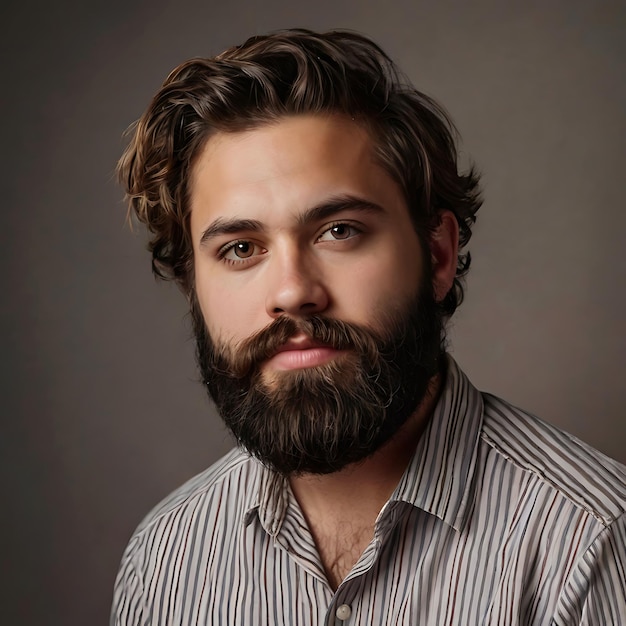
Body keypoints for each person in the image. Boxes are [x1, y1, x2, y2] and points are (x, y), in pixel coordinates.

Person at [111, 29, 626, 625]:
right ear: (191, 285)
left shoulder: (591, 542)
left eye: (340, 231)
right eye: (241, 248)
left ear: (436, 254)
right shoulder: (165, 559)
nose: (293, 292)